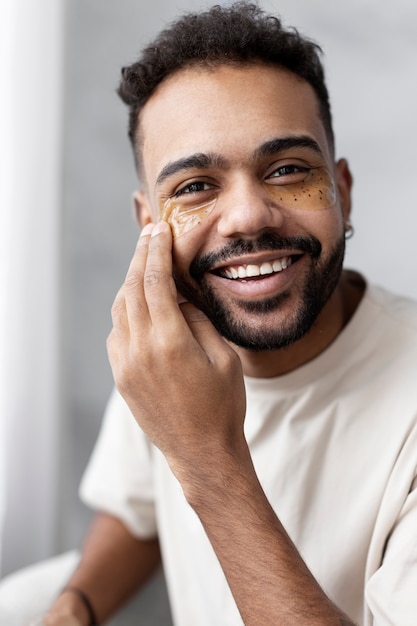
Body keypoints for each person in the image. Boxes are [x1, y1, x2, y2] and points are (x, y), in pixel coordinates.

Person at [3, 2, 417, 625]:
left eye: (286, 171)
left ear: (342, 191)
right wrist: (77, 605)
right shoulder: (167, 349)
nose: (249, 217)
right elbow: (136, 511)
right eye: (195, 186)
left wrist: (207, 460)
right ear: (149, 225)